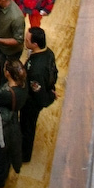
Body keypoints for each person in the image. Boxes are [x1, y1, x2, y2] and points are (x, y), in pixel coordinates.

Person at [20, 26, 58, 163]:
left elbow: (40, 97)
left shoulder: (36, 70)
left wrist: (50, 96)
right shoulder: (49, 53)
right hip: (36, 95)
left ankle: (24, 155)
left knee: (27, 127)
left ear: (35, 44)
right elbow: (54, 73)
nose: (25, 41)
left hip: (31, 103)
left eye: (27, 40)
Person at [0, 58, 28, 183]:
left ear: (8, 74)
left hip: (5, 122)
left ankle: (0, 177)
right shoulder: (23, 84)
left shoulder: (7, 94)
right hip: (14, 116)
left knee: (3, 151)